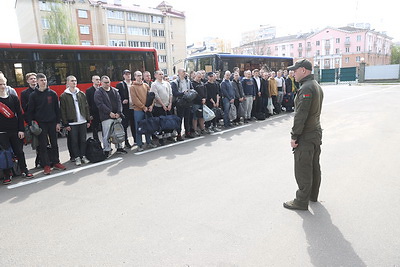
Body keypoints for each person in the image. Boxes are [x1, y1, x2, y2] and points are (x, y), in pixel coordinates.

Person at [283, 59, 324, 211]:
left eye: (295, 70)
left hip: (306, 135)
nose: (293, 73)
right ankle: (313, 195)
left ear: (304, 70)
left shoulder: (306, 88)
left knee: (303, 168)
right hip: (315, 132)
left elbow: (301, 115)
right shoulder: (315, 85)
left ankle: (301, 201)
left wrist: (294, 136)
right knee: (314, 166)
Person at [27, 73, 66, 175]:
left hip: (52, 122)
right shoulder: (33, 95)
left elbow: (57, 110)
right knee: (43, 145)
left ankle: (56, 162)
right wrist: (31, 124)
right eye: (41, 80)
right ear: (37, 82)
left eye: (45, 80)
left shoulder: (52, 94)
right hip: (41, 124)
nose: (43, 82)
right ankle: (46, 165)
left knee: (54, 143)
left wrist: (58, 123)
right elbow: (30, 111)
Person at [0, 73, 33, 184]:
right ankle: (7, 174)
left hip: (15, 130)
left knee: (19, 152)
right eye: (0, 84)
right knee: (5, 153)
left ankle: (24, 169)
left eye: (4, 84)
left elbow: (19, 114)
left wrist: (21, 130)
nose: (2, 86)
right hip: (2, 132)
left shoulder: (13, 98)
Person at [60, 76, 91, 166]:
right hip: (72, 122)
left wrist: (88, 120)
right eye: (72, 81)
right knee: (74, 141)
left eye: (75, 81)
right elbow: (63, 111)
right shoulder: (64, 96)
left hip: (82, 121)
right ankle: (77, 157)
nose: (74, 82)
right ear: (68, 83)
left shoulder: (81, 94)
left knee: (83, 140)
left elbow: (86, 107)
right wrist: (66, 124)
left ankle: (83, 156)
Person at [94, 75, 127, 157]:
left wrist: (119, 112)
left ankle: (119, 148)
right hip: (106, 117)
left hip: (117, 116)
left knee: (118, 132)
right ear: (101, 83)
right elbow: (100, 104)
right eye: (105, 82)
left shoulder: (115, 91)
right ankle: (107, 149)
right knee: (107, 134)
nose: (107, 84)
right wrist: (109, 112)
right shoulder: (98, 92)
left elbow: (119, 102)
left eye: (108, 82)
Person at [131, 71, 156, 152]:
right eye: (138, 76)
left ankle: (149, 142)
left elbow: (151, 96)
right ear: (135, 77)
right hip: (138, 110)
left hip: (147, 109)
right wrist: (143, 107)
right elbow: (135, 99)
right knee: (139, 127)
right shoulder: (132, 87)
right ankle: (139, 144)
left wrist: (151, 106)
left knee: (148, 126)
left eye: (140, 75)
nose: (140, 77)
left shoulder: (145, 85)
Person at [150, 70, 173, 145]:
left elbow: (170, 93)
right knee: (160, 122)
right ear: (155, 75)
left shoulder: (167, 83)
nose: (161, 75)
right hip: (159, 107)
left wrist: (170, 104)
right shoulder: (154, 84)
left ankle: (168, 136)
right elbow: (156, 96)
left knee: (168, 121)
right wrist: (163, 105)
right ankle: (160, 138)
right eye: (159, 74)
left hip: (168, 106)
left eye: (162, 74)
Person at [171, 68, 193, 140]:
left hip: (187, 102)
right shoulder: (175, 82)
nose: (185, 73)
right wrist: (183, 93)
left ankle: (188, 132)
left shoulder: (188, 81)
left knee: (187, 118)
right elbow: (174, 93)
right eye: (183, 71)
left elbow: (192, 89)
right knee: (179, 119)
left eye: (185, 71)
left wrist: (190, 93)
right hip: (179, 103)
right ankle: (179, 134)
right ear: (179, 73)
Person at [116, 70, 135, 148]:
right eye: (126, 74)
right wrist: (122, 100)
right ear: (123, 76)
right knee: (125, 125)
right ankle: (126, 142)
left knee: (134, 125)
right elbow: (117, 97)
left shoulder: (133, 83)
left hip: (134, 107)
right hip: (125, 109)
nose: (128, 76)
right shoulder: (120, 85)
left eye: (129, 74)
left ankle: (136, 140)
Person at [86, 75, 101, 141]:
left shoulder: (102, 89)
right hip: (94, 113)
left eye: (99, 79)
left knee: (105, 130)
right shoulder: (89, 91)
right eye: (96, 79)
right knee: (95, 130)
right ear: (92, 80)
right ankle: (97, 145)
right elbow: (88, 103)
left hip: (102, 113)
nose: (98, 81)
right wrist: (90, 114)